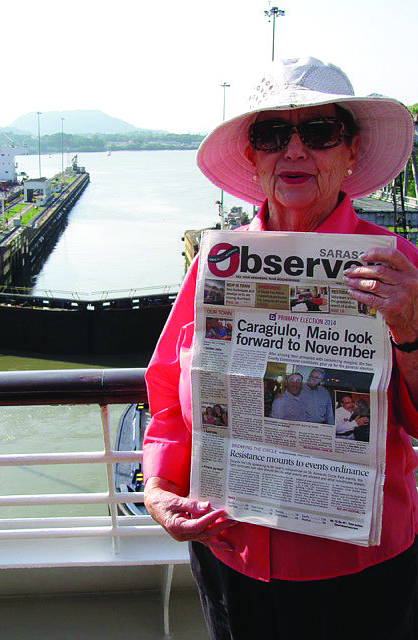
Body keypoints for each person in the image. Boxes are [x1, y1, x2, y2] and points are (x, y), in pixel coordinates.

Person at [143, 57, 418, 640]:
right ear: (253, 157)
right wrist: (159, 489)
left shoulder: (398, 266)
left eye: (318, 132)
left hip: (361, 567)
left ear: (349, 153)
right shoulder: (214, 265)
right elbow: (168, 391)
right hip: (232, 554)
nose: (294, 151)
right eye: (272, 134)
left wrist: (409, 326)